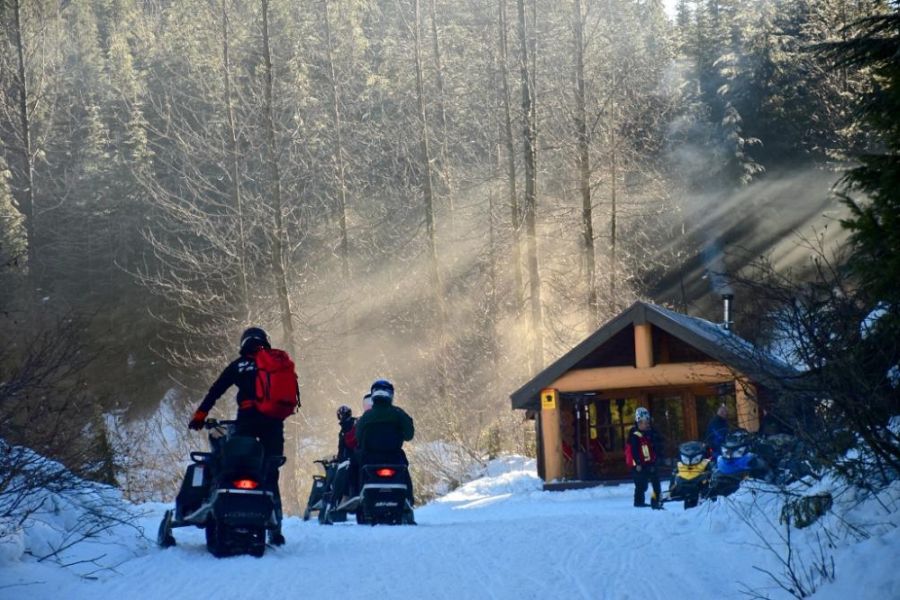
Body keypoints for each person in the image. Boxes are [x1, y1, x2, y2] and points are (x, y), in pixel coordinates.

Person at [187, 327, 299, 546]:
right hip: (273, 423)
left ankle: (232, 508)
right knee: (270, 472)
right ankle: (276, 528)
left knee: (238, 465)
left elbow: (216, 390)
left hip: (247, 420)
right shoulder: (276, 363)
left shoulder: (239, 365)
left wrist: (200, 415)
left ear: (244, 343)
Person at [354, 379, 415, 511]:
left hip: (370, 459)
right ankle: (408, 500)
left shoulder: (366, 417)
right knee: (404, 470)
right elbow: (409, 435)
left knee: (358, 466)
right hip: (394, 457)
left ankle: (359, 496)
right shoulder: (399, 414)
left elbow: (358, 437)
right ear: (390, 395)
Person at [627, 407, 663, 509]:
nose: (647, 424)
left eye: (647, 422)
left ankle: (657, 500)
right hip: (639, 465)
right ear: (638, 423)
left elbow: (657, 445)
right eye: (644, 422)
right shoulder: (634, 435)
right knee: (641, 484)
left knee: (656, 482)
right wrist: (638, 463)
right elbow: (634, 450)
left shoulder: (651, 432)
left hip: (650, 462)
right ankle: (638, 502)